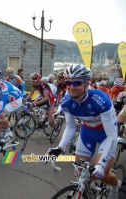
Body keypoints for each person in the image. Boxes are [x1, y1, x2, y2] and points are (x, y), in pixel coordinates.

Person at [47, 64, 121, 199]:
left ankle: (116, 185)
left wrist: (100, 165)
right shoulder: (66, 101)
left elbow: (112, 135)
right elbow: (70, 127)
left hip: (106, 135)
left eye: (77, 82)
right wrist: (60, 147)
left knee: (103, 172)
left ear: (87, 83)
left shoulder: (101, 99)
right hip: (87, 133)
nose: (71, 86)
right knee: (81, 171)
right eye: (68, 82)